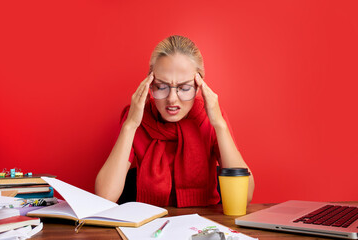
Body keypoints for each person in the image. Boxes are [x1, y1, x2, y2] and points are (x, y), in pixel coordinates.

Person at [95, 35, 254, 207]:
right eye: (161, 87)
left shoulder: (212, 116)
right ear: (150, 83)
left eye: (184, 88)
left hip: (203, 224)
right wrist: (130, 125)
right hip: (149, 223)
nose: (172, 99)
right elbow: (104, 197)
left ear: (199, 84)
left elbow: (245, 196)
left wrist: (219, 125)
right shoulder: (136, 116)